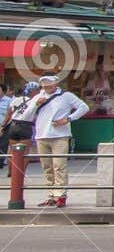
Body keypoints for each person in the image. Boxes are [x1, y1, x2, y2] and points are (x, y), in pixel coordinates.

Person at [22, 75, 89, 208]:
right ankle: (51, 195)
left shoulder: (66, 96)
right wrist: (35, 105)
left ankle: (61, 195)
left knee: (59, 166)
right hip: (42, 136)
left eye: (50, 85)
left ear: (56, 83)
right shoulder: (37, 97)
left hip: (60, 136)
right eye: (45, 86)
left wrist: (68, 119)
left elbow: (84, 107)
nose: (47, 88)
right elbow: (26, 116)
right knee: (47, 168)